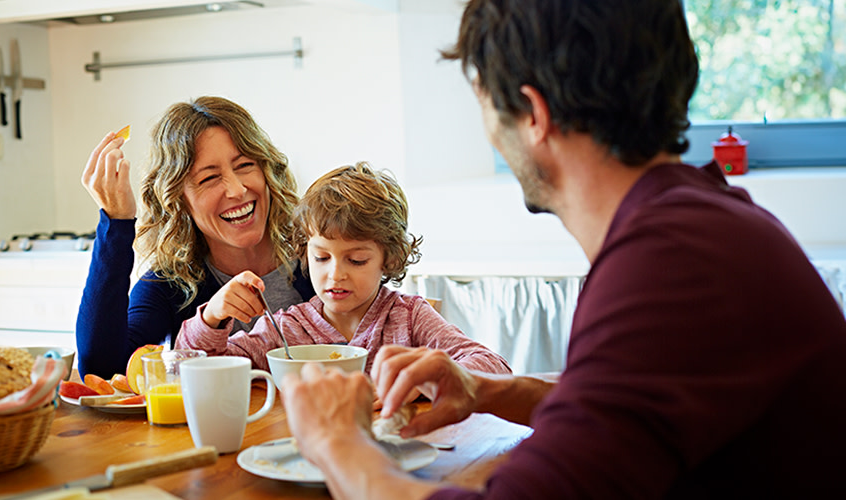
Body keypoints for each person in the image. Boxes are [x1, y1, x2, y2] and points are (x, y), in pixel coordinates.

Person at [281, 1, 846, 498]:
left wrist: (334, 442)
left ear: (532, 115)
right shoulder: (703, 220)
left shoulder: (671, 265)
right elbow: (620, 412)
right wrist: (487, 390)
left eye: (482, 102)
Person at [176, 162, 510, 377]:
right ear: (304, 254)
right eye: (322, 258)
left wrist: (429, 377)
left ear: (389, 259)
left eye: (357, 260)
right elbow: (194, 369)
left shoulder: (408, 318)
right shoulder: (288, 329)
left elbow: (493, 367)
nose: (335, 274)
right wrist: (212, 318)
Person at [75, 96, 316, 378]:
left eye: (245, 166)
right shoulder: (171, 284)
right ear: (179, 201)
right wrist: (116, 222)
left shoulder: (320, 260)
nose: (237, 190)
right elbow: (103, 370)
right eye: (209, 178)